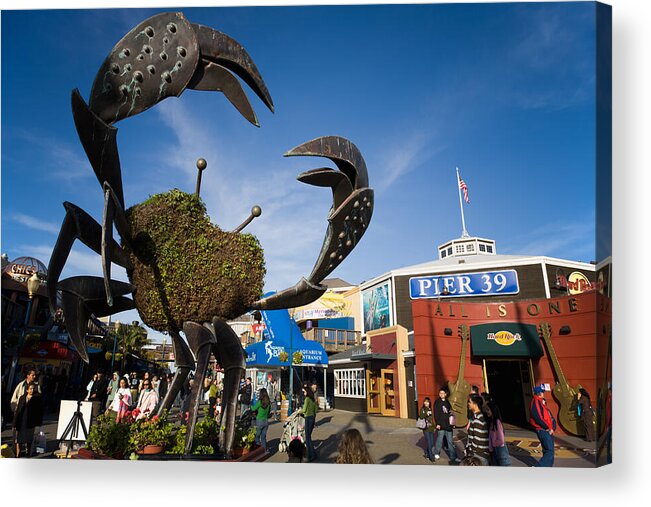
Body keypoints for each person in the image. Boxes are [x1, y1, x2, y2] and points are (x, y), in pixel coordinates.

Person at [12, 383, 44, 457]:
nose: (32, 390)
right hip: (22, 421)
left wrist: (39, 423)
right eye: (30, 389)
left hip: (31, 421)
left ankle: (28, 453)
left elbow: (40, 411)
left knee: (29, 439)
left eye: (33, 389)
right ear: (27, 390)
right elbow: (18, 411)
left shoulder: (37, 398)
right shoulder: (22, 398)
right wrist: (14, 423)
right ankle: (18, 454)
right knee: (19, 439)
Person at [529, 385, 556, 467]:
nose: (543, 393)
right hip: (543, 429)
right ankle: (539, 467)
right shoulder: (536, 402)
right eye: (542, 392)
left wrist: (552, 428)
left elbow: (550, 418)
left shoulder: (540, 402)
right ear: (539, 393)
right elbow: (538, 418)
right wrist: (548, 427)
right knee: (549, 451)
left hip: (547, 429)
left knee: (547, 450)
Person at [433, 387, 461, 463]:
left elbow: (450, 412)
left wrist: (453, 423)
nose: (441, 394)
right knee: (439, 440)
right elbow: (436, 413)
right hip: (441, 425)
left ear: (445, 394)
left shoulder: (447, 402)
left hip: (448, 425)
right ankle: (436, 453)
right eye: (440, 393)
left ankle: (453, 457)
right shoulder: (437, 402)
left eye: (442, 393)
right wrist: (437, 423)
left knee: (450, 442)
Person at [484, 400, 511, 466]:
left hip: (501, 451)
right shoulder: (492, 422)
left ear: (493, 410)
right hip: (495, 451)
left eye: (488, 410)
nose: (486, 411)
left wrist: (493, 444)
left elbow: (501, 440)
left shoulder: (497, 422)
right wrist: (490, 448)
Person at [466, 394, 490, 464]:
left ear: (475, 404)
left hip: (479, 454)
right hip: (480, 453)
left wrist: (470, 449)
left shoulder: (478, 419)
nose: (468, 404)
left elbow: (477, 439)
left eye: (469, 402)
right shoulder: (478, 417)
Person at [297, 386, 318, 462]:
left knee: (308, 438)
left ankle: (311, 455)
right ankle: (313, 453)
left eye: (304, 392)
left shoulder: (307, 399)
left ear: (307, 392)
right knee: (309, 437)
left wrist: (298, 411)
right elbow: (316, 410)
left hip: (308, 418)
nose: (304, 393)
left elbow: (304, 409)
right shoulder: (313, 400)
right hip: (312, 418)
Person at [418, 397, 435, 462]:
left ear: (429, 403)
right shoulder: (422, 409)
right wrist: (426, 414)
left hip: (431, 428)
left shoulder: (430, 409)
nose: (426, 403)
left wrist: (434, 427)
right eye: (425, 401)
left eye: (427, 402)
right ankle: (431, 457)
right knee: (429, 442)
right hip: (425, 428)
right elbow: (421, 416)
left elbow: (431, 419)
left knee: (432, 443)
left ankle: (427, 454)